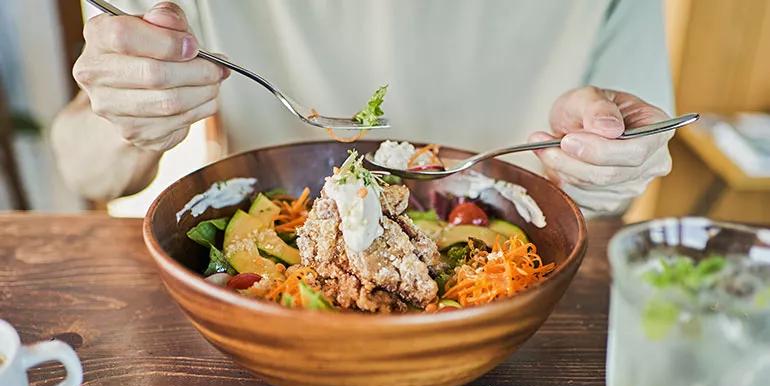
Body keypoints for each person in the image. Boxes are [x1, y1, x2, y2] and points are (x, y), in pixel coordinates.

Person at [52, 0, 674, 216]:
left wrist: (602, 158)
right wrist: (129, 119)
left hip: (520, 322)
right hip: (259, 325)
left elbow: (629, 173)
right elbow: (88, 169)